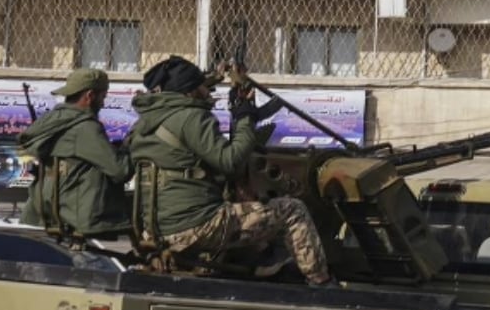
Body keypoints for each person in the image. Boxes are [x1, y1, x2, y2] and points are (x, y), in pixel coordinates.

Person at [126, 56, 333, 285]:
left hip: (154, 231)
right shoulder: (192, 117)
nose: (208, 91)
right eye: (203, 86)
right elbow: (230, 161)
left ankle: (259, 265)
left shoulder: (143, 125)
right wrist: (244, 115)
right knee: (293, 210)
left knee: (239, 202)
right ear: (190, 91)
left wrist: (220, 78)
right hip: (197, 226)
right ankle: (321, 283)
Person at [18, 68, 131, 239]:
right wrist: (128, 148)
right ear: (90, 96)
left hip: (43, 207)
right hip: (75, 213)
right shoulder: (86, 127)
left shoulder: (52, 121)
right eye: (103, 97)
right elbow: (120, 170)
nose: (103, 103)